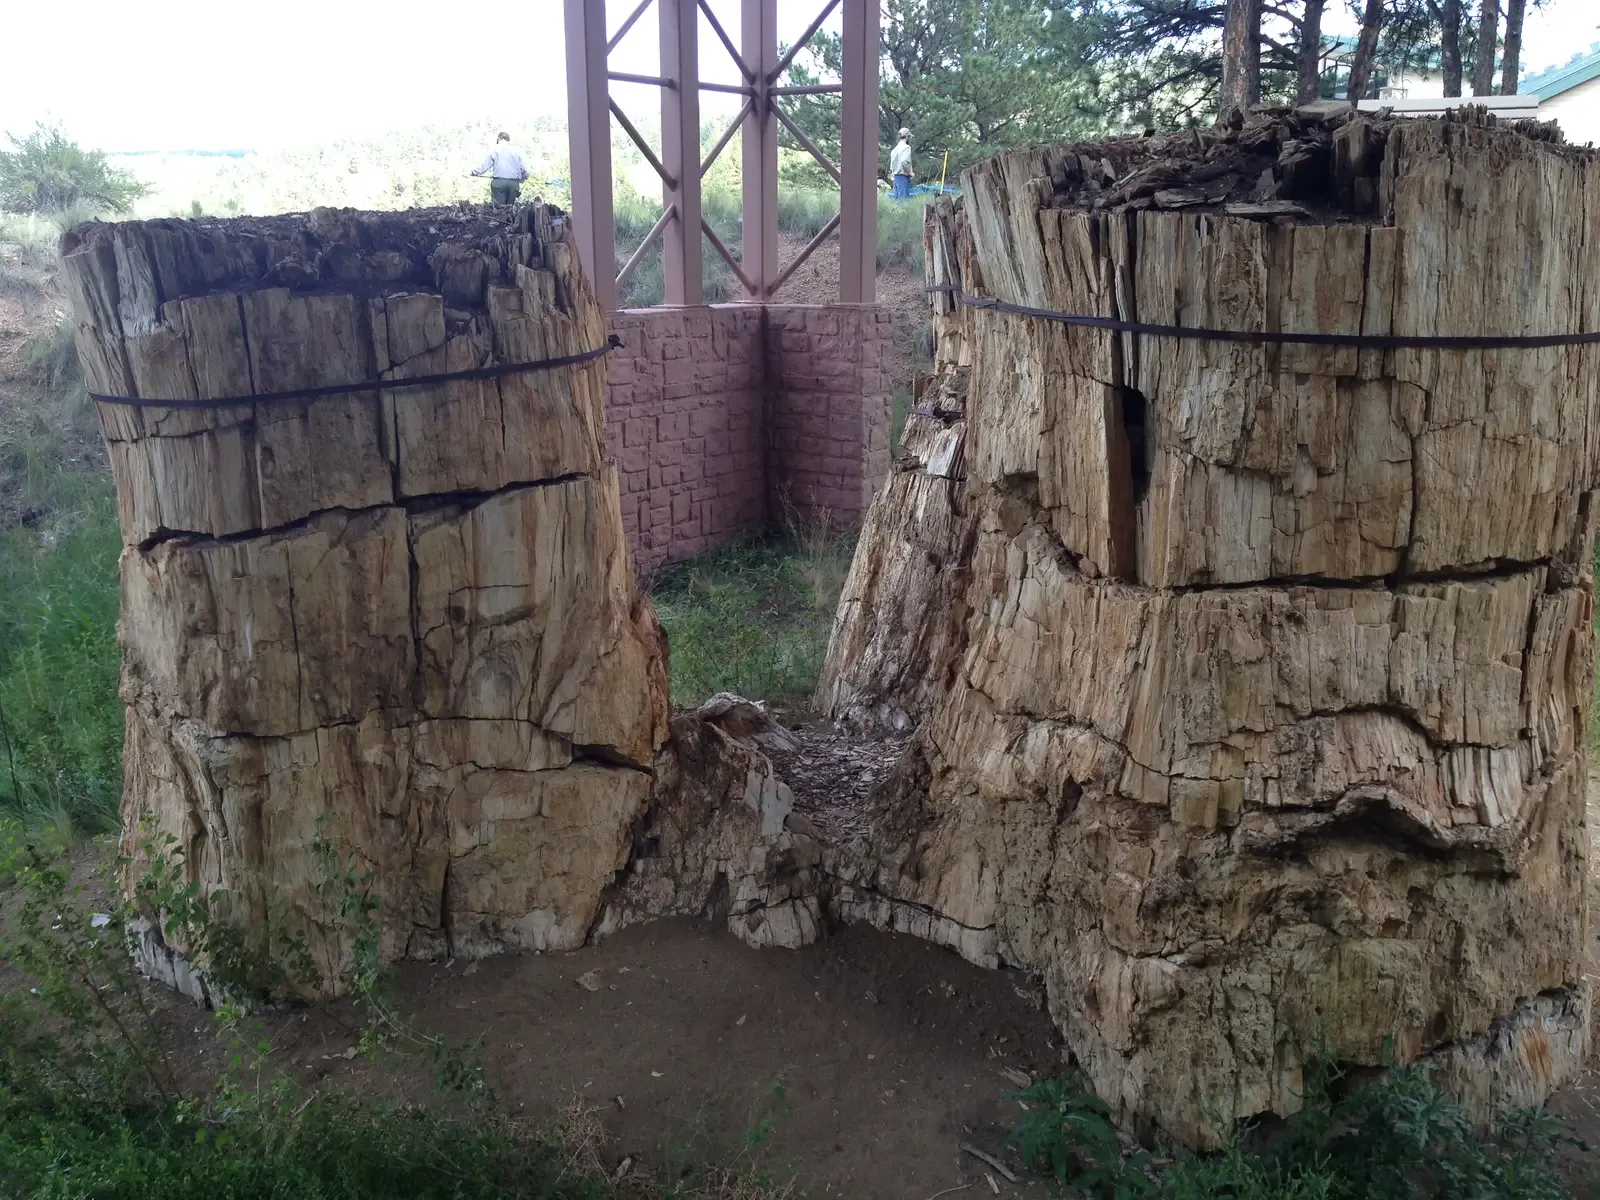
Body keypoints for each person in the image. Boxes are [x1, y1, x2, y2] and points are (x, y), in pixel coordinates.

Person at [472, 131, 529, 205]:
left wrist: (474, 172)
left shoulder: (495, 149)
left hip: (499, 183)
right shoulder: (517, 150)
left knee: (499, 210)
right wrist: (522, 179)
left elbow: (484, 165)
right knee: (510, 208)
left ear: (498, 139)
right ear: (508, 140)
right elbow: (525, 169)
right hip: (513, 183)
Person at [889, 128, 913, 200]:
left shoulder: (894, 149)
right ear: (907, 137)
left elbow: (891, 167)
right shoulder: (906, 147)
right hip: (903, 177)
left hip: (896, 178)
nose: (910, 139)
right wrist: (910, 173)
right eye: (909, 137)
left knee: (896, 203)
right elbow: (904, 162)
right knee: (903, 203)